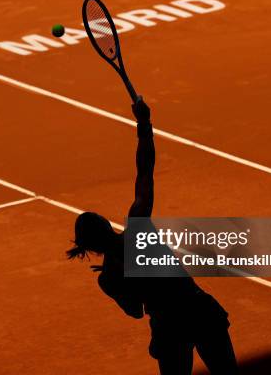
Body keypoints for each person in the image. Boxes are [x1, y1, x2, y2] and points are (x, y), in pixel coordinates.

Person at [66, 98, 238, 374]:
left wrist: (122, 279)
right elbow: (145, 172)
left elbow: (134, 310)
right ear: (106, 227)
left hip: (170, 325)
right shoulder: (137, 229)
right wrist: (144, 124)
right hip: (196, 311)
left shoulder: (108, 277)